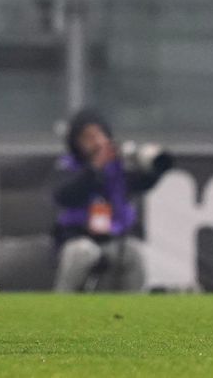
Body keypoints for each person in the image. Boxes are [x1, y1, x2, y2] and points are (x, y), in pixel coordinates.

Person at [52, 109, 172, 292]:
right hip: (77, 237)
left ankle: (130, 306)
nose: (95, 142)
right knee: (81, 253)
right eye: (87, 138)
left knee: (133, 253)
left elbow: (140, 182)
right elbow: (63, 195)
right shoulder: (67, 166)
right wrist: (94, 168)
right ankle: (63, 301)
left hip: (112, 238)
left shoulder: (118, 167)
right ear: (76, 143)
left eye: (98, 135)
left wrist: (153, 169)